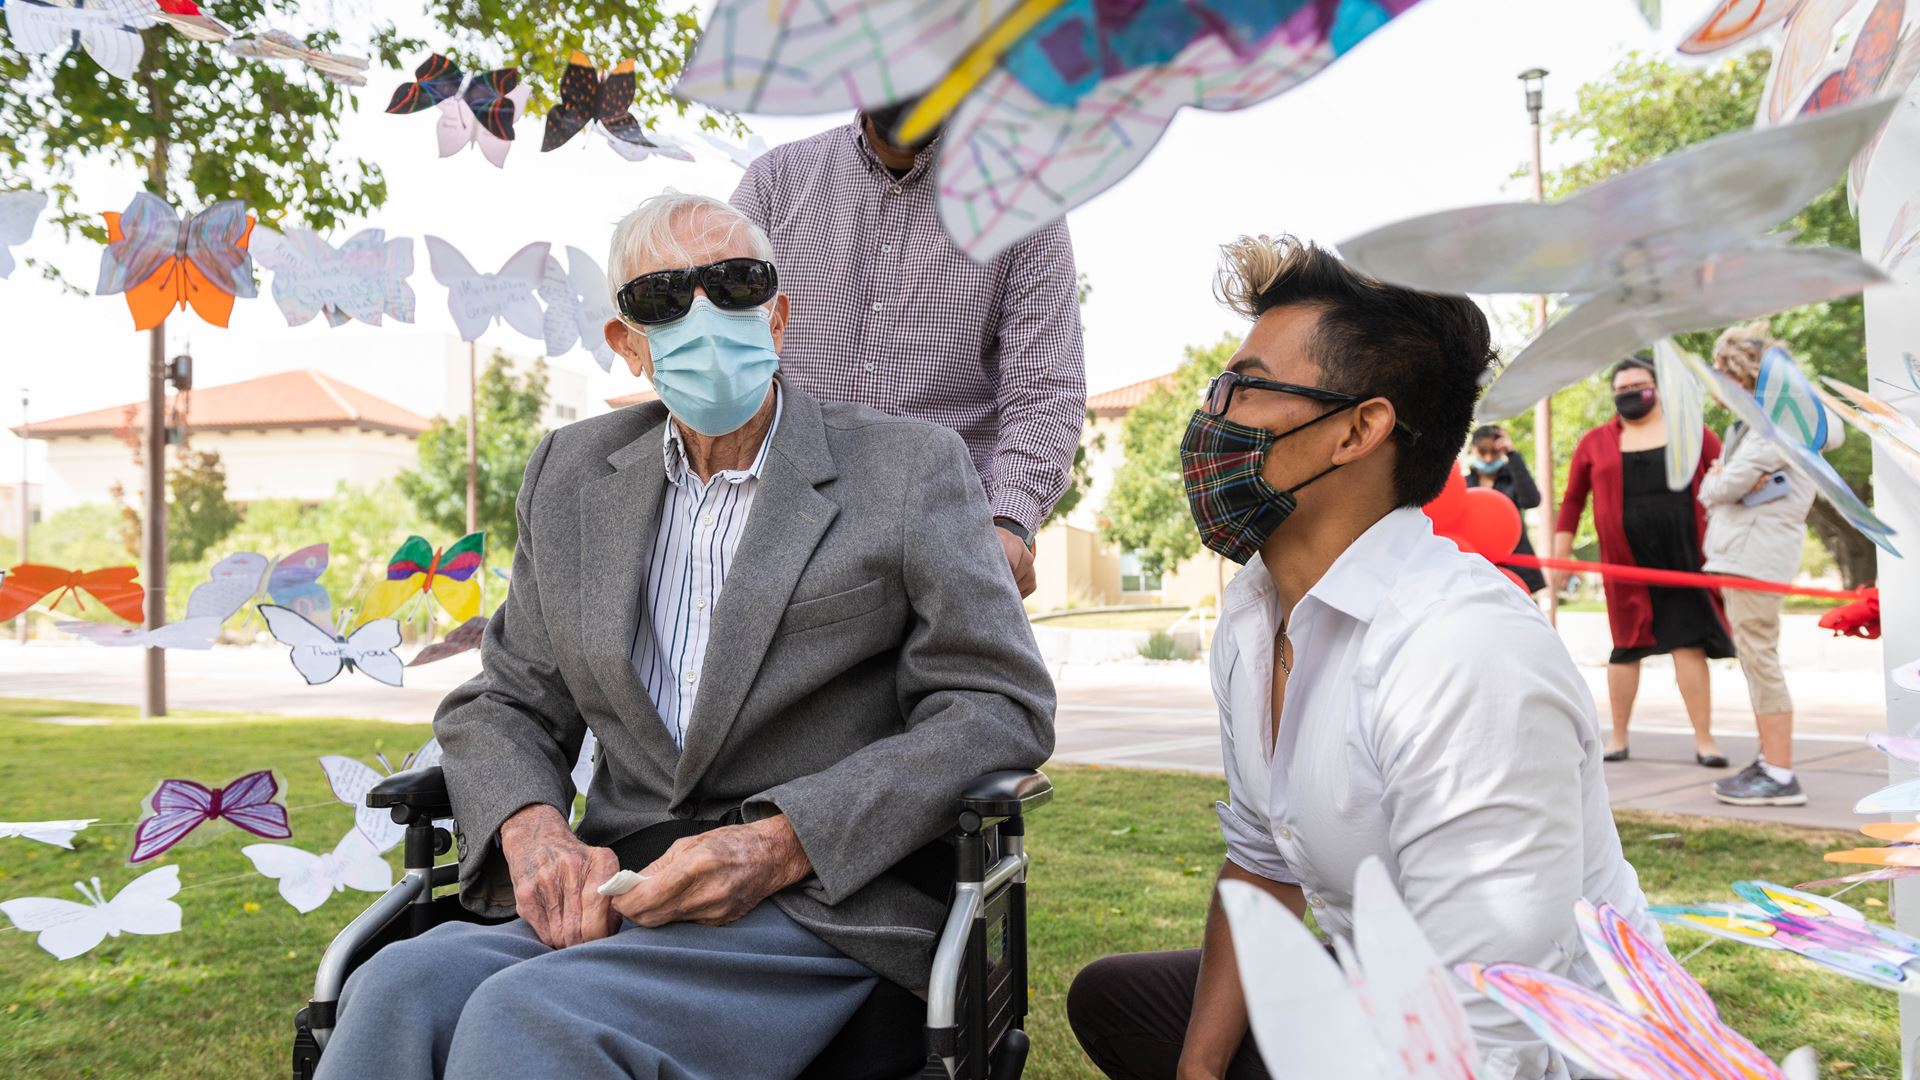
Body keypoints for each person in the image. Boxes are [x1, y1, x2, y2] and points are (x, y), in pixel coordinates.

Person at [314, 192, 1055, 1080]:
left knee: (531, 1019)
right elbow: (508, 699)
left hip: (818, 901)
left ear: (777, 317)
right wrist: (532, 826)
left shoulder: (906, 468)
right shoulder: (571, 472)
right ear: (626, 342)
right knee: (395, 985)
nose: (705, 315)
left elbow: (996, 706)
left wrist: (782, 839)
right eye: (664, 298)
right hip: (618, 884)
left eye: (734, 284)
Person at [1066, 235, 1654, 1080]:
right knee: (1121, 1003)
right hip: (1384, 984)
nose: (1211, 416)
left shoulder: (1463, 654)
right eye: (1218, 386)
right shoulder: (1254, 609)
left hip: (1537, 1048)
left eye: (1245, 387)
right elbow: (1264, 862)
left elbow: (1487, 1037)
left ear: (1358, 430)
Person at [729, 103, 1087, 598]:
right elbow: (727, 348)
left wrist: (1010, 519)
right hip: (783, 527)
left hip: (945, 543)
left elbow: (1046, 384)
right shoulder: (775, 181)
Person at [1553, 357, 1732, 767]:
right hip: (1625, 563)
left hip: (1686, 559)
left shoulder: (1694, 434)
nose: (1630, 394)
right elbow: (1573, 502)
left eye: (1639, 385)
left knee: (1688, 645)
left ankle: (1706, 741)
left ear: (1657, 387)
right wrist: (1560, 558)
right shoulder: (1594, 442)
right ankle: (1617, 737)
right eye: (1621, 389)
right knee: (1627, 646)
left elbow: (1726, 482)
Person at [1701, 322, 1841, 807]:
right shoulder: (1756, 427)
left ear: (1741, 376)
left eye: (1721, 374)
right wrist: (1727, 480)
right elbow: (1727, 485)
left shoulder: (1776, 428)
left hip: (1754, 558)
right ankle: (1769, 762)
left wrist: (1722, 480)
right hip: (1745, 555)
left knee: (1760, 662)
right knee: (1756, 660)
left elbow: (1717, 488)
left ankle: (1779, 773)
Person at [1465, 424, 1546, 593]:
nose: (1488, 458)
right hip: (1476, 564)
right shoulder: (1464, 485)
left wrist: (1512, 454)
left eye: (1494, 452)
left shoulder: (1513, 479)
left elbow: (1531, 500)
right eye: (1482, 451)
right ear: (1473, 449)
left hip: (1514, 564)